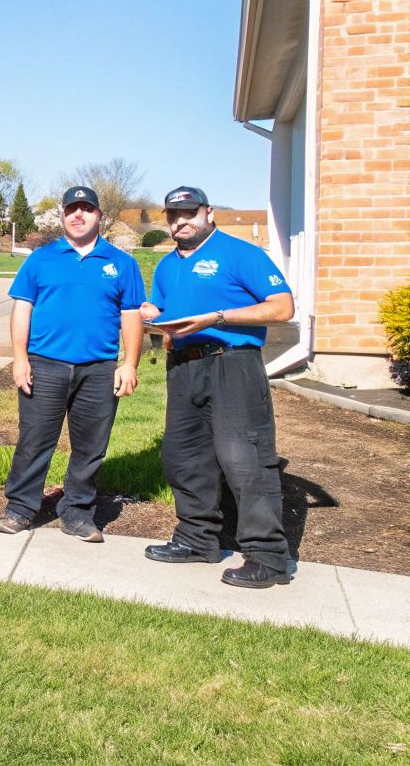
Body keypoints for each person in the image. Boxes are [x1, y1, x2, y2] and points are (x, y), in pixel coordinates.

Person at [138, 186, 296, 588]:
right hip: (184, 368)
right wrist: (154, 315)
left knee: (245, 461)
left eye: (189, 213)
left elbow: (282, 307)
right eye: (174, 216)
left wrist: (218, 317)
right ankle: (196, 540)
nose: (181, 221)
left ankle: (268, 557)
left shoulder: (241, 254)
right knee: (184, 458)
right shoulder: (167, 267)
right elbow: (166, 312)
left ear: (209, 214)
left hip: (233, 366)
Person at [0, 185, 145, 542]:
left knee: (91, 447)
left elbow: (132, 315)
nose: (78, 215)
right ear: (63, 215)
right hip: (45, 365)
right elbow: (22, 310)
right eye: (71, 209)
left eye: (86, 209)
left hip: (99, 369)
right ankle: (20, 508)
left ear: (99, 216)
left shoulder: (121, 263)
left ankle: (77, 512)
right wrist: (19, 359)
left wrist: (130, 364)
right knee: (34, 440)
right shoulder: (41, 259)